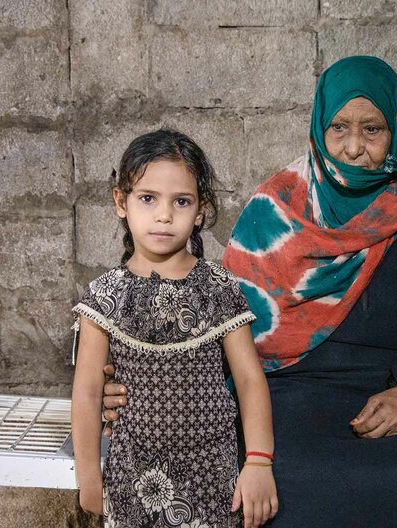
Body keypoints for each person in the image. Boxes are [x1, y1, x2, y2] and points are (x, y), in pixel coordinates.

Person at [102, 58, 397, 526]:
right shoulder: (278, 208)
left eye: (372, 129)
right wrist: (135, 383)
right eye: (339, 127)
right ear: (319, 128)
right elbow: (217, 335)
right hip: (286, 397)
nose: (354, 147)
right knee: (269, 473)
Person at [71, 129, 278, 528]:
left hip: (211, 477)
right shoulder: (104, 298)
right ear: (121, 202)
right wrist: (88, 476)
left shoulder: (219, 290)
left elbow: (251, 381)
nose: (164, 215)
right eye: (148, 198)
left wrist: (258, 462)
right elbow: (86, 392)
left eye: (181, 201)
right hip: (134, 480)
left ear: (200, 211)